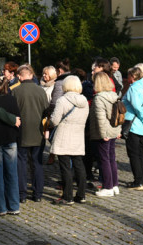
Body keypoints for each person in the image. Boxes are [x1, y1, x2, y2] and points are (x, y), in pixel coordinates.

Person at [49, 75, 89, 205]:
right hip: (78, 136)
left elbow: (54, 120)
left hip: (64, 136)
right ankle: (81, 194)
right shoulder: (84, 101)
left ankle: (67, 196)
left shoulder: (62, 100)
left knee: (65, 167)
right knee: (79, 165)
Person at [0, 73, 22, 216]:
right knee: (12, 173)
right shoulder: (12, 100)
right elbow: (19, 120)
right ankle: (13, 206)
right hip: (10, 140)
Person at [13, 65, 49, 202]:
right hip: (38, 132)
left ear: (20, 76)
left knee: (21, 163)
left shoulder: (15, 91)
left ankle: (22, 194)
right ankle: (38, 193)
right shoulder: (41, 91)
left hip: (21, 132)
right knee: (37, 163)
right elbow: (46, 111)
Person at [122, 66, 143, 189]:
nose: (127, 78)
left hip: (133, 125)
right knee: (140, 154)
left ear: (133, 76)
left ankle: (138, 181)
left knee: (134, 154)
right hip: (141, 126)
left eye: (128, 76)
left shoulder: (134, 89)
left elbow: (138, 108)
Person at [89, 71, 122, 197]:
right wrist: (118, 132)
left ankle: (108, 186)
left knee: (104, 160)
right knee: (111, 158)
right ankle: (114, 185)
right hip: (113, 131)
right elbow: (119, 115)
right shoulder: (114, 95)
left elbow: (100, 119)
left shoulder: (99, 98)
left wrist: (103, 135)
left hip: (104, 134)